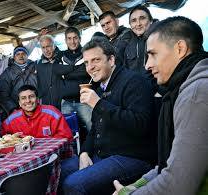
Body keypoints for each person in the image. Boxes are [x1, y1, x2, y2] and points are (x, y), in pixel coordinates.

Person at [113, 16, 208, 195]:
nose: (147, 65)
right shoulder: (181, 90)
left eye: (152, 54)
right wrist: (137, 185)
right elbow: (168, 165)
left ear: (180, 49)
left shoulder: (196, 93)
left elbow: (177, 185)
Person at [59, 38, 157, 194]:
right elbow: (94, 128)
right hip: (104, 154)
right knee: (59, 170)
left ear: (111, 60)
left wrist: (98, 104)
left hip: (133, 157)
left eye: (96, 60)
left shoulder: (134, 81)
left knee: (73, 184)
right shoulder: (100, 88)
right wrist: (84, 152)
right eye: (86, 63)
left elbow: (140, 125)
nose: (90, 67)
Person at [54, 27, 92, 132]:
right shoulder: (61, 55)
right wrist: (75, 68)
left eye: (75, 38)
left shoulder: (86, 52)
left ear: (79, 39)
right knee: (68, 132)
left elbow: (86, 71)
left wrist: (66, 73)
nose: (72, 41)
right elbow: (56, 70)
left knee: (91, 126)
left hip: (84, 100)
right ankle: (73, 149)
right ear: (66, 40)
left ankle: (94, 148)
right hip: (66, 102)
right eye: (69, 38)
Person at [2, 85, 73, 140]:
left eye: (31, 96)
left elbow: (66, 136)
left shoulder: (52, 113)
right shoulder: (11, 120)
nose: (28, 101)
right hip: (25, 156)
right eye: (23, 98)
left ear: (38, 100)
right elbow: (3, 140)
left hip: (54, 154)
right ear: (19, 103)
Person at [0, 46, 37, 119]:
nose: (21, 56)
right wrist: (13, 109)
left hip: (35, 106)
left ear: (27, 56)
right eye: (17, 54)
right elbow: (3, 94)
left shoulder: (36, 67)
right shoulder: (8, 72)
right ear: (14, 57)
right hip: (17, 109)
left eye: (23, 53)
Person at [123, 5, 153, 74]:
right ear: (130, 25)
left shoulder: (161, 38)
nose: (138, 24)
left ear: (151, 20)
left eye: (142, 18)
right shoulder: (127, 44)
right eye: (133, 21)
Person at [36, 35, 64, 109]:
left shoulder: (63, 59)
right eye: (43, 47)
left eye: (48, 46)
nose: (46, 50)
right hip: (47, 104)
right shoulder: (38, 64)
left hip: (64, 103)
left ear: (54, 46)